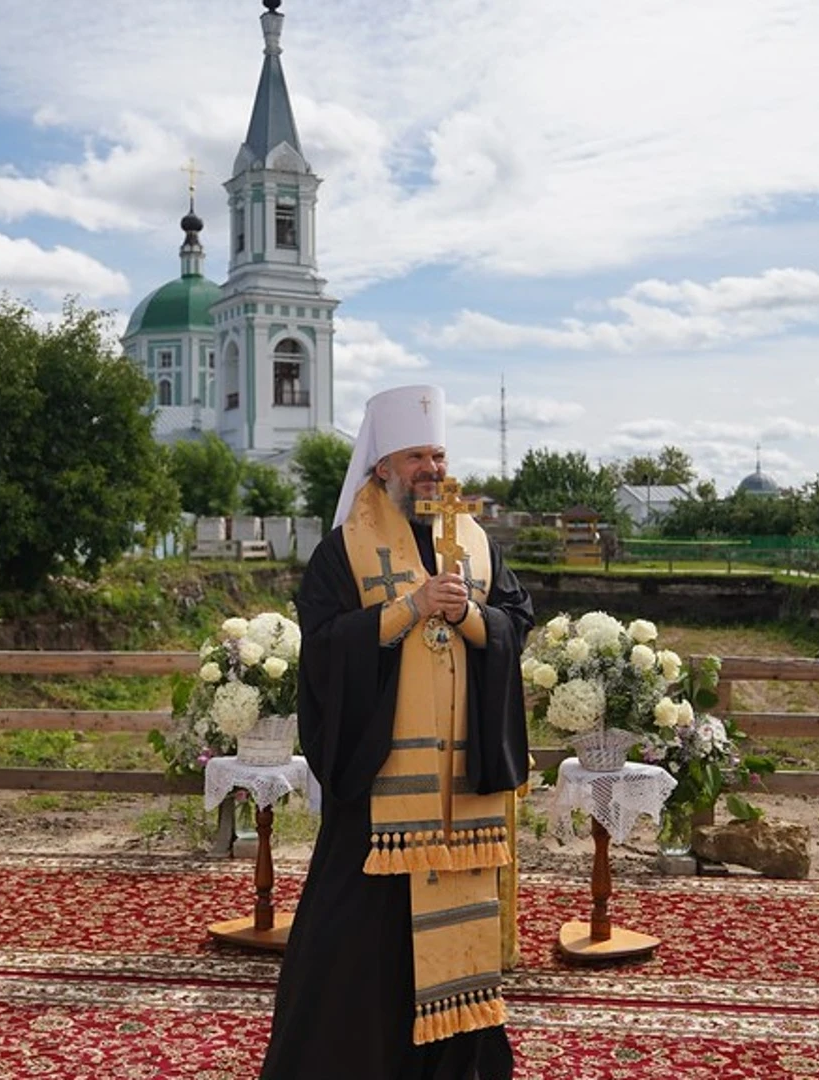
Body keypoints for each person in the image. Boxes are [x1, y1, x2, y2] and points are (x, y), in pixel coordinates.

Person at [261, 385, 534, 1080]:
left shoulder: (475, 543)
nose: (432, 468)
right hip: (380, 788)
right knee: (351, 941)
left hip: (460, 790)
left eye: (438, 454)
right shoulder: (341, 552)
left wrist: (469, 615)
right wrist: (407, 610)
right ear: (382, 465)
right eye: (416, 455)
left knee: (457, 943)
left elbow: (513, 625)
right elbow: (322, 647)